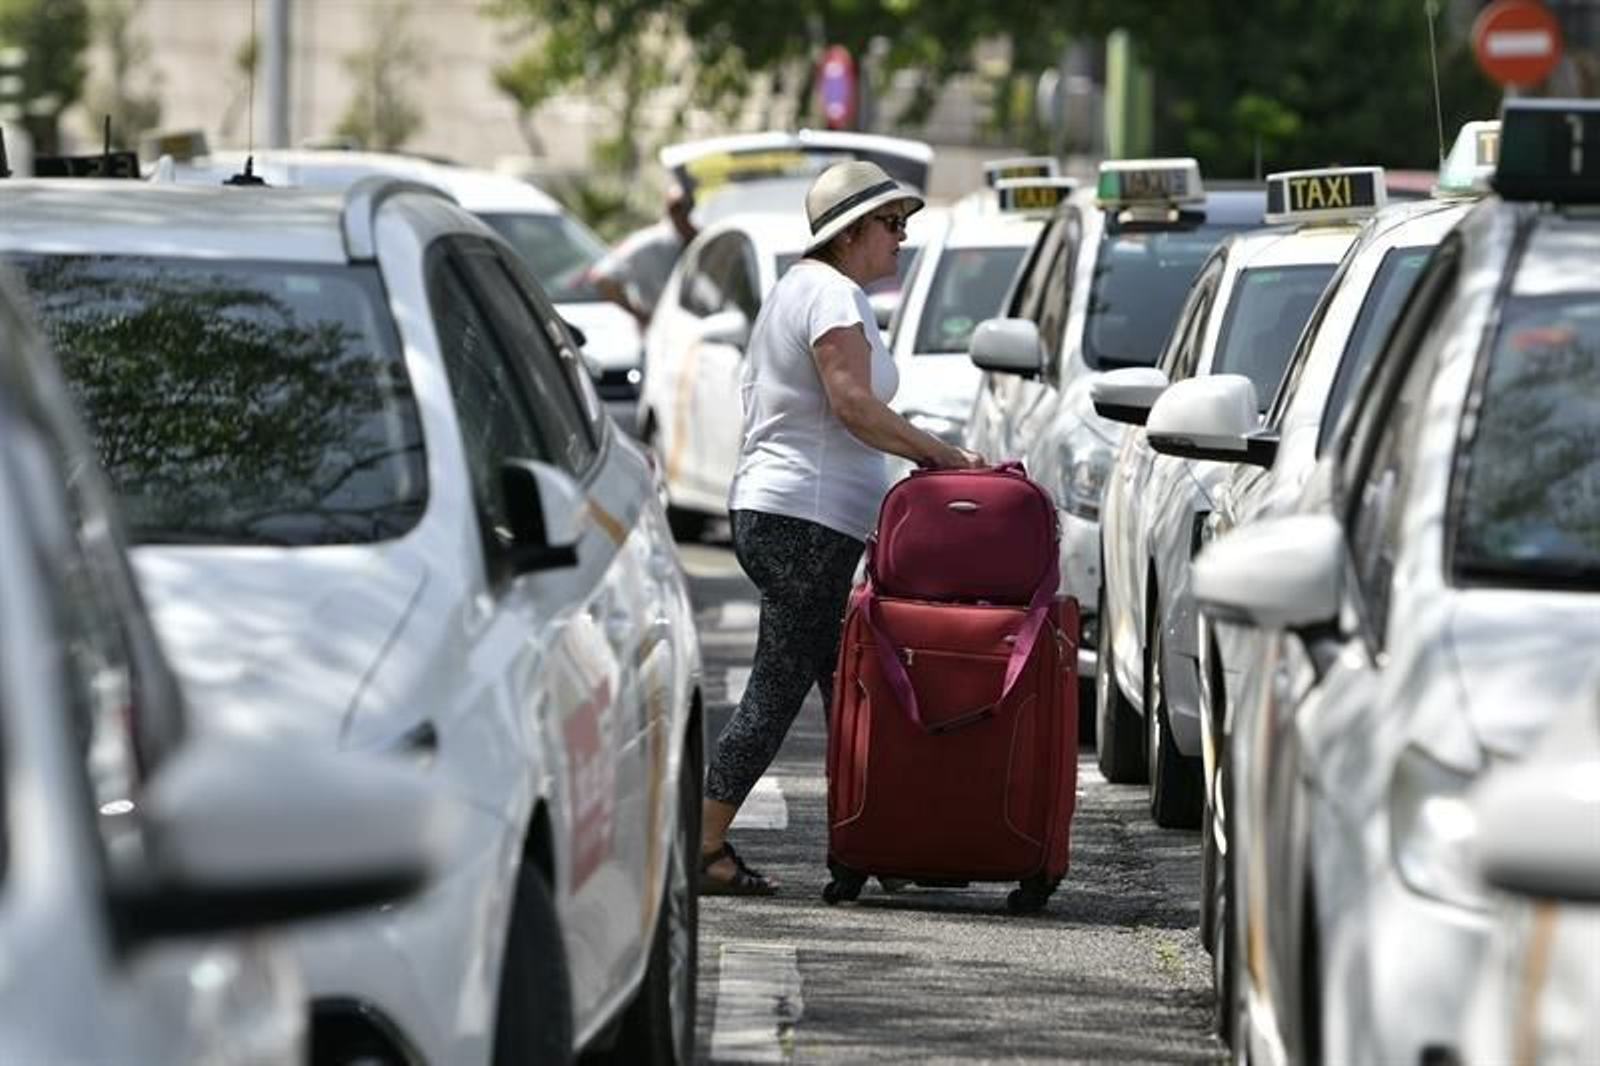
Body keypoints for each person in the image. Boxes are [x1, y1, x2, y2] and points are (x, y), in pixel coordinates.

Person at [699, 160, 984, 896]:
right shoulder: (830, 292)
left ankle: (872, 842)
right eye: (891, 223)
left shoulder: (806, 288)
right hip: (803, 522)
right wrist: (941, 454)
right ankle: (701, 846)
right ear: (850, 231)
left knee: (849, 689)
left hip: (795, 517)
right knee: (779, 688)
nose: (901, 236)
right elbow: (853, 403)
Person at [587, 182, 698, 328]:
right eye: (686, 209)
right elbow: (602, 278)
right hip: (666, 331)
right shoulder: (649, 244)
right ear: (674, 212)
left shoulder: (703, 237)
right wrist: (642, 317)